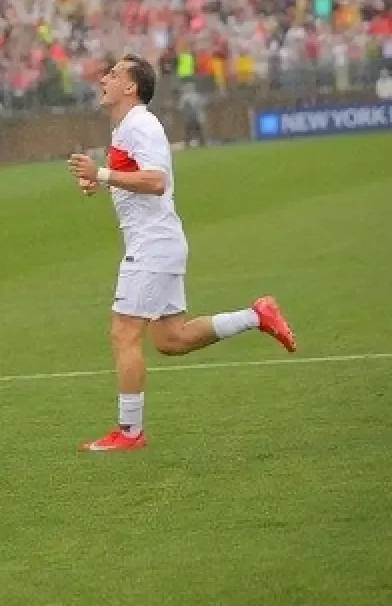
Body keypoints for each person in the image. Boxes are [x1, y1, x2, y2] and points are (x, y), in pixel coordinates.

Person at [67, 55, 297, 453]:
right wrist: (101, 182)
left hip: (152, 245)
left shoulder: (141, 125)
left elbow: (157, 181)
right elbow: (136, 177)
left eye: (114, 74)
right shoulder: (125, 127)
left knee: (124, 333)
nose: (104, 78)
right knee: (171, 339)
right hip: (159, 243)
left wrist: (101, 174)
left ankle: (130, 433)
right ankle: (257, 315)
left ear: (131, 87)